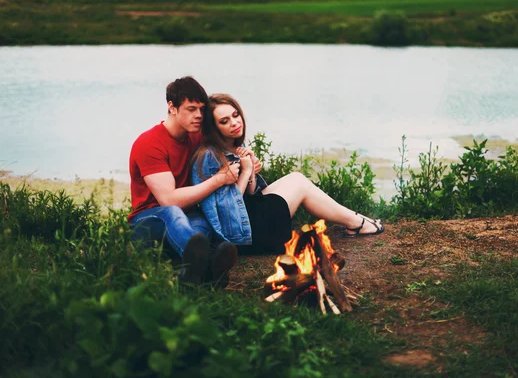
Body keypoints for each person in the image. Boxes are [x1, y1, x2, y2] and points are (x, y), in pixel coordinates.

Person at [191, 93, 384, 255]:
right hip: (242, 236)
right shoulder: (209, 157)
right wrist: (246, 172)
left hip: (248, 219)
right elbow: (229, 211)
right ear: (214, 128)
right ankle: (357, 222)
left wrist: (251, 173)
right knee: (299, 185)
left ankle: (356, 220)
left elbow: (250, 194)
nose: (234, 123)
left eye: (235, 115)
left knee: (297, 178)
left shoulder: (235, 144)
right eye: (225, 121)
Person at [128, 77, 240, 286]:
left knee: (202, 221)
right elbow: (169, 200)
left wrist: (246, 159)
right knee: (173, 213)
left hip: (186, 218)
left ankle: (194, 275)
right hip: (147, 223)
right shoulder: (149, 143)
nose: (198, 115)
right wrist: (218, 180)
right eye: (191, 109)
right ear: (172, 107)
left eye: (201, 109)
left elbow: (227, 143)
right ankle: (209, 265)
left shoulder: (195, 136)